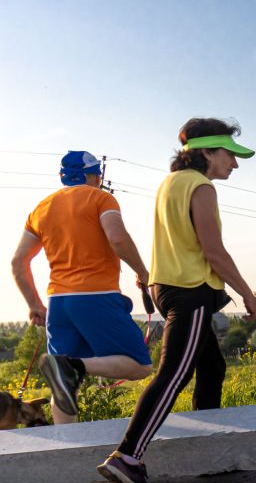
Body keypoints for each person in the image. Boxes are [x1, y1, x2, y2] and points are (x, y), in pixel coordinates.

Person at [97, 118, 256, 483]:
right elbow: (212, 250)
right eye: (229, 155)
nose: (234, 164)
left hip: (165, 286)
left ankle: (205, 454)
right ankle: (128, 456)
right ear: (206, 152)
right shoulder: (201, 187)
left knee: (212, 366)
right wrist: (247, 293)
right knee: (174, 374)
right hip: (191, 290)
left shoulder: (169, 183)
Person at [11, 151, 153, 424]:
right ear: (91, 175)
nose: (99, 178)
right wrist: (144, 273)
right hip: (95, 295)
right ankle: (73, 366)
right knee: (139, 364)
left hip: (58, 303)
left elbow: (19, 261)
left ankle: (66, 447)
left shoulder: (41, 208)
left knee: (65, 387)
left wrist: (34, 305)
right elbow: (118, 238)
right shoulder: (101, 198)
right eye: (97, 173)